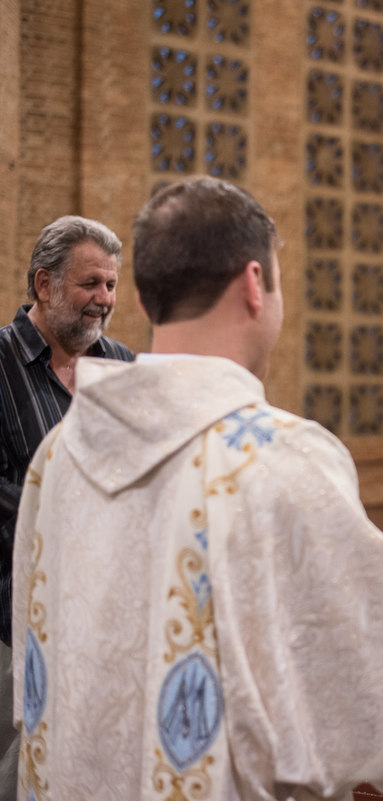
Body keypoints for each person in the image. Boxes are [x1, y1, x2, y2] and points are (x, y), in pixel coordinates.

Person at [10, 177, 383, 800]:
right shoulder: (279, 457)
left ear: (139, 296)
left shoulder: (58, 455)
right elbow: (374, 704)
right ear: (254, 283)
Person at [0, 215, 134, 800]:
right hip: (15, 623)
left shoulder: (123, 366)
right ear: (44, 284)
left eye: (110, 285)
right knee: (17, 772)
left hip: (108, 625)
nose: (103, 299)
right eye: (89, 284)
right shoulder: (1, 365)